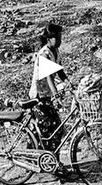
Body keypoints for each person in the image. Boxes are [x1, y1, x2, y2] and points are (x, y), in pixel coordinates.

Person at [29, 23, 71, 151]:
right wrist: (55, 94)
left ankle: (52, 160)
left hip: (46, 94)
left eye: (60, 38)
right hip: (38, 95)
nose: (59, 41)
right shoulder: (44, 53)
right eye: (57, 38)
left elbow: (59, 71)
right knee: (46, 128)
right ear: (49, 39)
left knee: (57, 127)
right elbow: (47, 76)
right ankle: (37, 159)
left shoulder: (55, 52)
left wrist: (68, 82)